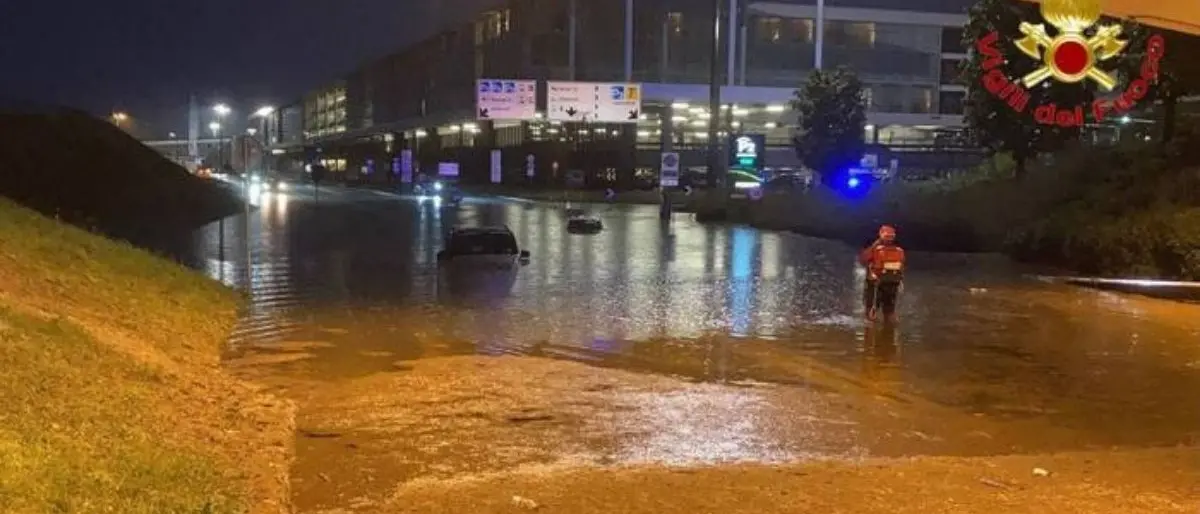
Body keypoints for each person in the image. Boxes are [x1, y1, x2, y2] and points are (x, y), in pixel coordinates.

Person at [859, 224, 906, 322]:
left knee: (871, 312)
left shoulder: (875, 248)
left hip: (876, 283)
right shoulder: (898, 250)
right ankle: (889, 333)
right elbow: (901, 266)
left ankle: (871, 333)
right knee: (889, 312)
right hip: (891, 282)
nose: (889, 239)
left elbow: (864, 260)